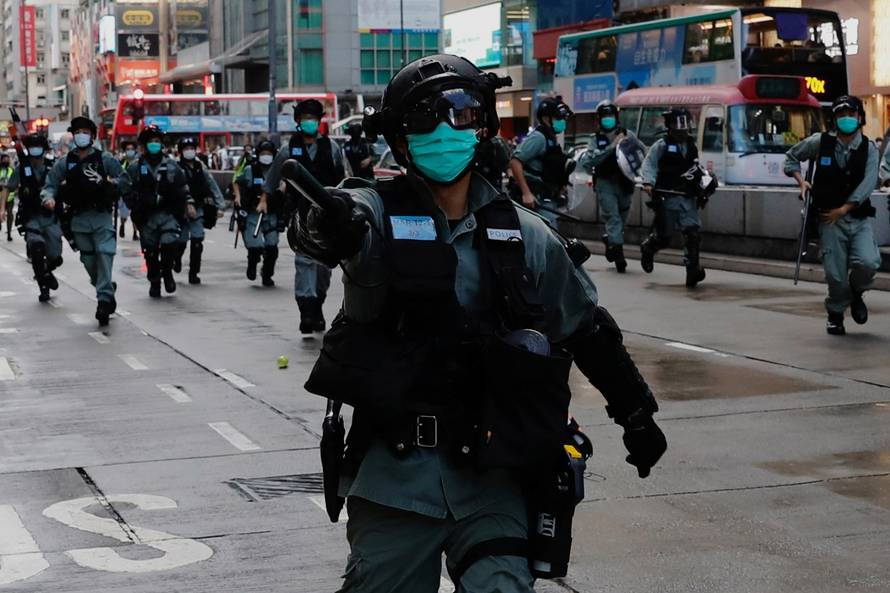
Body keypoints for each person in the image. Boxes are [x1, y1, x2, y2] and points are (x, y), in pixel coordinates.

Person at [291, 54, 666, 593]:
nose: (444, 129)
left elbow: (585, 329)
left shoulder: (526, 236)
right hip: (396, 480)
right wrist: (328, 224)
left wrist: (635, 413)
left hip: (495, 477)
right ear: (399, 139)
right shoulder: (371, 216)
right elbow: (321, 228)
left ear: (484, 125)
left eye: (461, 112)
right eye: (423, 117)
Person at [788, 95, 880, 335]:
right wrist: (801, 182)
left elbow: (869, 183)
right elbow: (791, 157)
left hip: (856, 217)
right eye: (841, 115)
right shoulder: (820, 142)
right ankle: (836, 313)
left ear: (859, 118)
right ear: (834, 119)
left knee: (868, 263)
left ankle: (856, 292)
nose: (847, 119)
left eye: (851, 115)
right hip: (828, 219)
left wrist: (844, 209)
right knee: (835, 274)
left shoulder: (869, 148)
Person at [263, 98, 345, 333]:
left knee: (323, 268)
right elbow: (273, 178)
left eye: (314, 119)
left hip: (327, 215)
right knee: (305, 261)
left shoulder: (332, 148)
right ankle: (307, 311)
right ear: (298, 121)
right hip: (300, 213)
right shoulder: (288, 149)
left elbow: (343, 178)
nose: (310, 123)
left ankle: (316, 304)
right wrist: (265, 198)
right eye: (305, 119)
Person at [41, 116, 126, 325]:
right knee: (89, 261)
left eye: (86, 132)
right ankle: (104, 286)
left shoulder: (105, 159)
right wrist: (49, 198)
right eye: (78, 132)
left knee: (105, 256)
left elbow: (124, 180)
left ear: (93, 136)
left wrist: (111, 185)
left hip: (101, 217)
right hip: (78, 219)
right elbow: (50, 184)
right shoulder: (65, 162)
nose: (82, 136)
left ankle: (104, 301)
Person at [639, 108, 707, 288]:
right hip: (668, 197)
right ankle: (649, 247)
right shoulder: (661, 145)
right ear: (670, 128)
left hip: (687, 197)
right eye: (678, 130)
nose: (682, 133)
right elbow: (649, 164)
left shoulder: (692, 147)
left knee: (693, 233)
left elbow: (697, 170)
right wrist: (648, 183)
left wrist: (704, 185)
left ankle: (692, 268)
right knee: (665, 236)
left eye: (684, 130)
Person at [123, 125, 192, 298]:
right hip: (147, 217)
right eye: (151, 142)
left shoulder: (172, 166)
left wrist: (188, 204)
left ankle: (167, 272)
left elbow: (183, 188)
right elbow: (125, 189)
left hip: (168, 214)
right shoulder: (135, 168)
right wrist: (136, 205)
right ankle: (155, 280)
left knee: (169, 243)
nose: (154, 144)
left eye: (157, 141)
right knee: (151, 252)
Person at [1, 135, 62, 302]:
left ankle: (46, 271)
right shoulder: (22, 168)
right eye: (32, 147)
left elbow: (64, 186)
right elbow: (8, 188)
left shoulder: (53, 167)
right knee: (36, 248)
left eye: (38, 146)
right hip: (31, 216)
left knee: (55, 257)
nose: (35, 150)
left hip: (50, 217)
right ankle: (43, 286)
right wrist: (2, 210)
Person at [580, 100, 638, 273]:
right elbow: (588, 162)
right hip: (605, 182)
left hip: (625, 182)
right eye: (604, 116)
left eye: (610, 116)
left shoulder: (628, 135)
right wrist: (612, 148)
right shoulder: (595, 140)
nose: (608, 119)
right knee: (612, 217)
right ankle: (619, 256)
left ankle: (611, 240)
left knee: (622, 218)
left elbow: (640, 153)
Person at [509, 97, 572, 226]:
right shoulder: (539, 137)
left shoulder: (551, 138)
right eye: (558, 118)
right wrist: (526, 193)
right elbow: (515, 161)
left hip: (548, 196)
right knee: (546, 238)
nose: (562, 122)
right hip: (537, 198)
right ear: (545, 118)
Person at [175, 137, 225, 285]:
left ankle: (194, 272)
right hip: (181, 211)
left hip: (199, 210)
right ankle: (176, 259)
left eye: (192, 148)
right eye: (186, 148)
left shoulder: (200, 167)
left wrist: (220, 205)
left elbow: (212, 184)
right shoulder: (176, 167)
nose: (189, 151)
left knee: (197, 241)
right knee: (181, 241)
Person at [233, 139, 281, 286]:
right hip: (253, 213)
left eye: (269, 153)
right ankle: (252, 263)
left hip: (272, 213)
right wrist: (238, 197)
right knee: (255, 246)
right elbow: (236, 181)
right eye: (263, 153)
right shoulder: (250, 170)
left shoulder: (278, 171)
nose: (266, 156)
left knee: (272, 248)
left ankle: (267, 274)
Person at [118, 140, 139, 240]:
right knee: (124, 213)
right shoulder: (121, 162)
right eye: (128, 149)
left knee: (135, 212)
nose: (130, 151)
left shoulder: (138, 162)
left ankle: (135, 232)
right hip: (124, 191)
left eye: (132, 149)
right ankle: (122, 224)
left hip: (135, 190)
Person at [0, 152, 14, 241]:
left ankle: (9, 233)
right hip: (0, 197)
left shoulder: (11, 170)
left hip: (10, 198)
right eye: (4, 159)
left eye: (7, 159)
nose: (6, 160)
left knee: (10, 215)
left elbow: (15, 182)